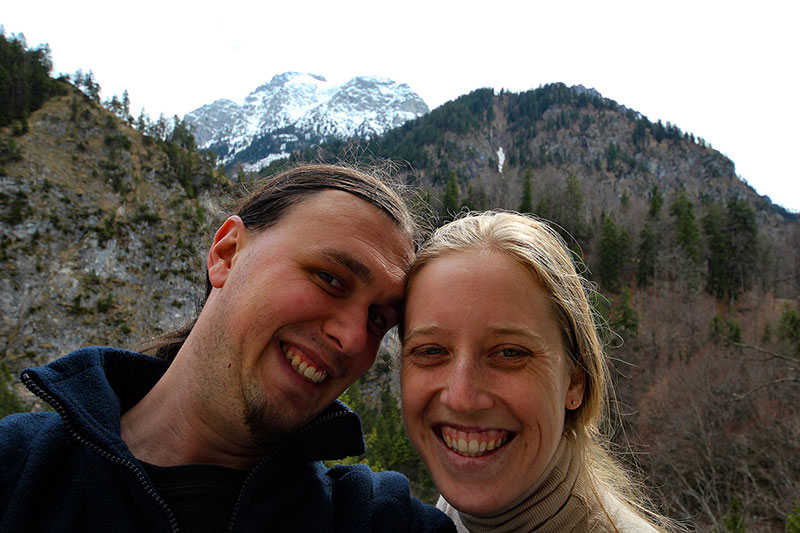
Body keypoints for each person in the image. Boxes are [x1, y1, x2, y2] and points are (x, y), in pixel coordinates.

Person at [0, 164, 455, 532]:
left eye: (379, 319)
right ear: (227, 252)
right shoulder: (17, 467)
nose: (354, 338)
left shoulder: (374, 519)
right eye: (330, 278)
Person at [399, 211, 668, 532]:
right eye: (431, 351)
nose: (461, 398)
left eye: (509, 353)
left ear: (575, 381)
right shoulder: (445, 518)